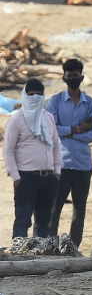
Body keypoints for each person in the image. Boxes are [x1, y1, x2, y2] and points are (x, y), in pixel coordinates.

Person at [46, 59, 92, 248]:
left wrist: (66, 131)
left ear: (81, 77)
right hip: (61, 163)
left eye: (75, 76)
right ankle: (50, 246)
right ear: (64, 78)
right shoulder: (55, 101)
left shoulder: (90, 103)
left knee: (79, 209)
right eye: (69, 76)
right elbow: (50, 129)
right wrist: (78, 129)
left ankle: (73, 247)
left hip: (83, 165)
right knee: (54, 207)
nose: (72, 79)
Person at [3, 80, 61, 239]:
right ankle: (18, 253)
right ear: (24, 95)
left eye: (38, 94)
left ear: (43, 95)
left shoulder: (48, 117)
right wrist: (16, 176)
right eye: (31, 94)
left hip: (48, 178)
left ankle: (40, 254)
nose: (35, 97)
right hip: (26, 178)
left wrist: (56, 173)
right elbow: (8, 149)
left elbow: (56, 145)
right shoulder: (16, 119)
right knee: (22, 221)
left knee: (44, 223)